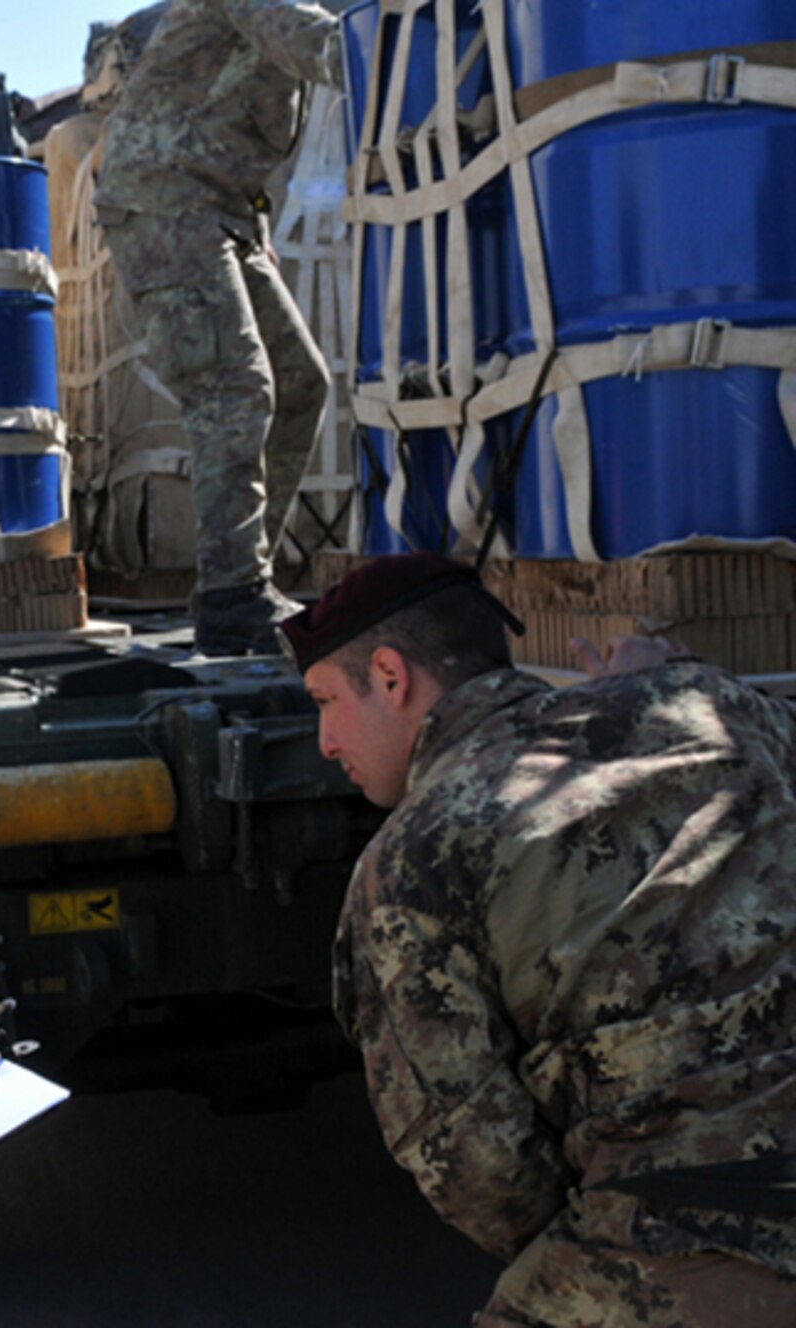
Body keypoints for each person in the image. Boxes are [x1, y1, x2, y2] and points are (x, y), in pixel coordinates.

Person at [283, 553, 796, 1325]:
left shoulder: (413, 859)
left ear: (390, 677)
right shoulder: (712, 704)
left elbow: (477, 1167)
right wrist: (677, 676)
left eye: (326, 701)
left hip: (698, 1233)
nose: (324, 740)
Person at [93, 0, 342, 654]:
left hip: (224, 214)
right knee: (232, 386)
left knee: (299, 382)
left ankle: (236, 579)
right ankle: (235, 597)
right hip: (165, 200)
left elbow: (237, 121)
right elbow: (329, 51)